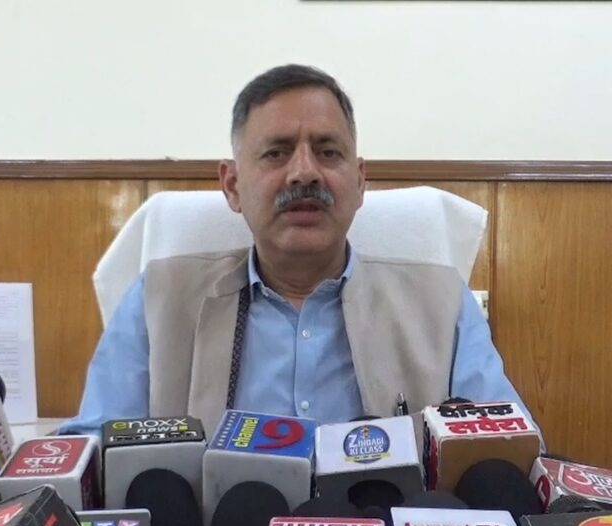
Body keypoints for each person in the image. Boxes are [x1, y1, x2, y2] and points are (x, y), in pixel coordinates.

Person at [60, 64, 534, 436]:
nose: (304, 172)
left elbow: (505, 449)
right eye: (277, 152)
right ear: (232, 185)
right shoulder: (159, 300)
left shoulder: (440, 302)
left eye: (328, 152)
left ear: (360, 182)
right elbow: (91, 457)